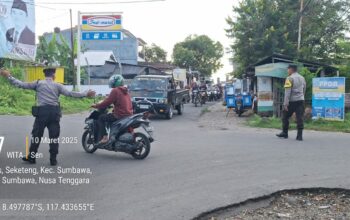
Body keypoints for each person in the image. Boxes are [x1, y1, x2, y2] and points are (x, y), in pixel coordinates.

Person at [0, 68, 96, 165]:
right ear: (53, 76)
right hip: (54, 113)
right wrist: (85, 94)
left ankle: (32, 158)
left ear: (45, 75)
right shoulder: (58, 85)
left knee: (36, 135)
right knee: (54, 137)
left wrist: (9, 76)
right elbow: (70, 94)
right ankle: (53, 160)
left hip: (42, 113)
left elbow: (21, 84)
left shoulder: (38, 83)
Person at [91, 74, 133, 145]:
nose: (112, 83)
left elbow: (107, 102)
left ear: (116, 82)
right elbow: (119, 101)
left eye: (113, 82)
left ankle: (104, 137)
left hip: (119, 115)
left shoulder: (115, 90)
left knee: (101, 118)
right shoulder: (126, 91)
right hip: (128, 115)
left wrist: (96, 106)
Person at [276, 64, 306, 141]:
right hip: (301, 100)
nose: (287, 71)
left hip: (292, 101)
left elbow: (287, 92)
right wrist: (302, 97)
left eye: (288, 69)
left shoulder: (289, 78)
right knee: (300, 118)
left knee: (285, 116)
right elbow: (304, 89)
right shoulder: (302, 78)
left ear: (291, 69)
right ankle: (299, 136)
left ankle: (285, 133)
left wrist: (285, 104)